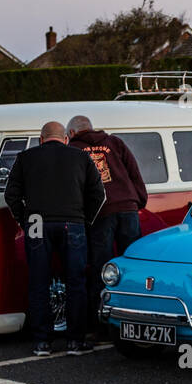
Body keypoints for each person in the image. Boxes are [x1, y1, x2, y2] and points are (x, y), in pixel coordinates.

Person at [4, 121, 105, 356]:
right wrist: (84, 220)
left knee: (39, 281)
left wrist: (25, 220)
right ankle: (75, 341)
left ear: (41, 139)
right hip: (73, 223)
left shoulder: (25, 157)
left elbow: (11, 195)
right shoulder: (80, 157)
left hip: (37, 223)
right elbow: (98, 194)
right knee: (76, 282)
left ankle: (42, 342)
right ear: (65, 139)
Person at [66, 115, 147, 329]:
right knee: (132, 264)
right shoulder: (114, 142)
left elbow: (74, 184)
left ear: (72, 133)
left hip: (100, 212)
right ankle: (137, 317)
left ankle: (101, 325)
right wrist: (138, 200)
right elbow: (134, 172)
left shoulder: (73, 148)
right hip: (128, 207)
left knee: (101, 268)